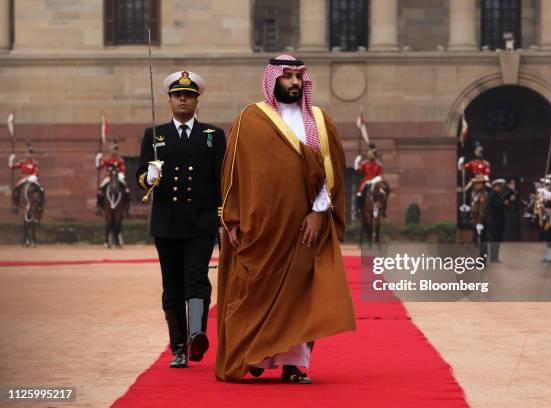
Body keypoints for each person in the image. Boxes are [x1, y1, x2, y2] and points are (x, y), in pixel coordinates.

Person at [216, 55, 356, 383]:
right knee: (252, 292)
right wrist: (232, 221)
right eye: (287, 77)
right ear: (273, 79)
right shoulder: (250, 119)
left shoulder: (320, 121)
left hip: (305, 227)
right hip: (260, 228)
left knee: (301, 295)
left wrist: (319, 213)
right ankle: (255, 356)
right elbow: (233, 174)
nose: (294, 83)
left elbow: (329, 173)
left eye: (298, 77)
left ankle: (295, 365)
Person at [136, 70, 226, 367]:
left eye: (188, 95)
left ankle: (197, 334)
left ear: (197, 100)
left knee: (197, 279)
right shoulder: (155, 134)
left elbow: (221, 181)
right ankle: (178, 346)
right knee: (172, 286)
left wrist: (223, 218)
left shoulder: (212, 136)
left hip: (201, 223)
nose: (183, 100)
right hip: (167, 223)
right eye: (178, 95)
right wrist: (147, 177)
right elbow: (140, 177)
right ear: (170, 100)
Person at [96, 140, 131, 215]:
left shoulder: (120, 160)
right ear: (110, 151)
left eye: (116, 150)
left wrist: (121, 174)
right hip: (109, 177)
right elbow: (99, 167)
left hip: (118, 177)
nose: (114, 152)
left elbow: (123, 169)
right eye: (113, 150)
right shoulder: (107, 160)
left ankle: (127, 207)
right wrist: (97, 159)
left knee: (127, 190)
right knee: (100, 190)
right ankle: (99, 207)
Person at [8, 143, 43, 213]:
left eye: (30, 153)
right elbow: (12, 167)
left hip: (32, 178)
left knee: (41, 189)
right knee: (15, 190)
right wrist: (11, 159)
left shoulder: (35, 163)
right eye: (28, 153)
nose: (29, 155)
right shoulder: (22, 162)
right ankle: (16, 206)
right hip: (23, 179)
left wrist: (33, 177)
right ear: (25, 154)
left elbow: (36, 171)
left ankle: (40, 202)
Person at [354, 145, 384, 214]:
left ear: (374, 155)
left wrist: (372, 181)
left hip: (376, 181)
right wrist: (356, 162)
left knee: (383, 192)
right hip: (365, 180)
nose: (370, 155)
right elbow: (357, 171)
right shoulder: (364, 163)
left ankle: (382, 209)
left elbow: (380, 176)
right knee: (359, 193)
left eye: (371, 154)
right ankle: (358, 209)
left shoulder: (379, 165)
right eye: (369, 154)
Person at [487, 178, 507, 263]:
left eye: (501, 187)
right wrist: (504, 203)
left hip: (499, 222)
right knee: (495, 240)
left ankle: (495, 257)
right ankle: (493, 257)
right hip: (494, 222)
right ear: (495, 186)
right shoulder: (492, 195)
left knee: (498, 240)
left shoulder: (498, 195)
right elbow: (497, 204)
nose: (500, 188)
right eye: (499, 186)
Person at [470, 174, 488, 259]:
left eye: (479, 183)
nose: (476, 185)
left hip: (480, 221)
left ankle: (482, 259)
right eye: (475, 183)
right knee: (475, 240)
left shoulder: (483, 195)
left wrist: (480, 222)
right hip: (475, 219)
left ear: (482, 184)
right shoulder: (475, 194)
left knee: (482, 241)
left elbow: (482, 209)